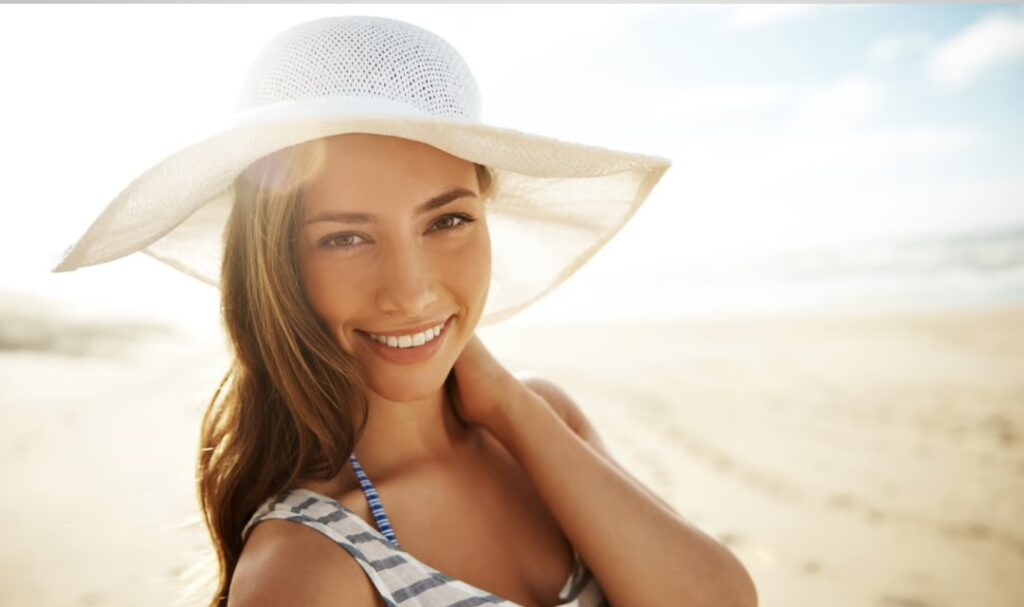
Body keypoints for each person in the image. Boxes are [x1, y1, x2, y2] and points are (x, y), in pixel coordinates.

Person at [52, 15, 757, 607]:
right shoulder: (305, 565)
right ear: (277, 267)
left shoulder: (540, 422)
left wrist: (509, 405)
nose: (412, 291)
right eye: (347, 237)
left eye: (447, 221)